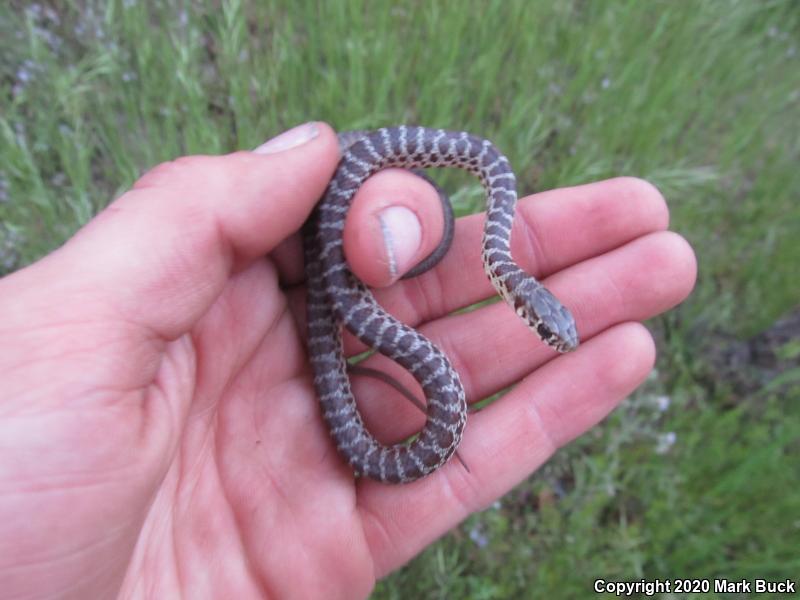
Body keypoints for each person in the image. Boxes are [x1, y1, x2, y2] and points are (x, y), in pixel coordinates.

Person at [0, 122, 696, 598]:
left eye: (550, 334)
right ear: (527, 307)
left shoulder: (498, 201)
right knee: (362, 234)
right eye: (550, 332)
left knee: (370, 240)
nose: (550, 336)